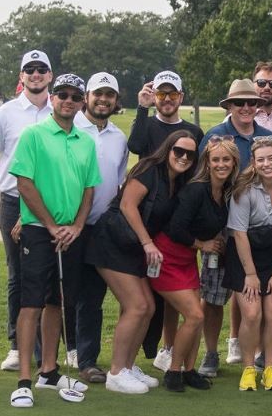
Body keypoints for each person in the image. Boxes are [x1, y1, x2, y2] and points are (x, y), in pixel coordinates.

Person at [6, 73, 97, 407]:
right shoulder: (33, 135)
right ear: (52, 98)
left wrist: (76, 226)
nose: (68, 101)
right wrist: (50, 225)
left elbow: (90, 189)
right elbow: (24, 184)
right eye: (62, 94)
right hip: (38, 232)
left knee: (57, 301)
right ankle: (25, 380)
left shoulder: (86, 141)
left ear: (81, 101)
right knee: (30, 303)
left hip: (70, 234)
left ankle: (49, 371)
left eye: (75, 96)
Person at [84, 130, 199, 394]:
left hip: (133, 248)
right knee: (136, 306)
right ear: (168, 149)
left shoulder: (178, 181)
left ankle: (128, 365)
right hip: (112, 242)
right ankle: (116, 372)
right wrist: (148, 243)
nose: (183, 157)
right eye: (178, 151)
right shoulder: (150, 169)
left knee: (147, 307)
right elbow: (127, 206)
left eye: (189, 154)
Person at [194, 79, 272, 376]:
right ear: (229, 106)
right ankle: (212, 353)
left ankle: (257, 353)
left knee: (255, 295)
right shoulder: (216, 136)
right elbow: (201, 182)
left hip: (257, 234)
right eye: (239, 103)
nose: (246, 108)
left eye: (252, 103)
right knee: (213, 296)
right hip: (219, 231)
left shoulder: (267, 137)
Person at [0, 50, 53, 371]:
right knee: (18, 274)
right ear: (21, 76)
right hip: (13, 202)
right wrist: (15, 182)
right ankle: (16, 344)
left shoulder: (63, 110)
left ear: (49, 75)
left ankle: (49, 347)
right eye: (30, 70)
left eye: (41, 70)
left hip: (52, 202)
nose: (35, 75)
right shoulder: (5, 113)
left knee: (49, 275)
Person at [127, 70, 204, 364]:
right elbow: (135, 146)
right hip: (149, 217)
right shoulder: (146, 124)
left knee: (175, 293)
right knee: (144, 295)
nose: (167, 99)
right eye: (162, 94)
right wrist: (142, 105)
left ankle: (168, 349)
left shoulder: (192, 132)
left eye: (172, 94)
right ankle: (138, 354)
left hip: (175, 220)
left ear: (181, 97)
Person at [152, 138, 239, 391]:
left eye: (226, 160)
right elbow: (177, 228)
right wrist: (203, 244)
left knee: (196, 318)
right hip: (167, 257)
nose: (221, 164)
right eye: (216, 160)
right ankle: (173, 372)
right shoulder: (195, 189)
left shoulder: (225, 192)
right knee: (195, 314)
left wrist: (214, 241)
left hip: (187, 259)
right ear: (207, 163)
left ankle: (189, 371)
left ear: (234, 163)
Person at [226, 137, 272, 391]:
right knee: (252, 313)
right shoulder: (243, 189)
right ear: (254, 163)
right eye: (261, 159)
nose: (267, 163)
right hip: (244, 256)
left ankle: (269, 368)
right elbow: (239, 234)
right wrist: (250, 274)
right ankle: (248, 369)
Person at [70, 72, 128, 384]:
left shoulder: (119, 138)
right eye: (97, 94)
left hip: (100, 227)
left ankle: (87, 360)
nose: (103, 100)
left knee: (92, 297)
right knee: (60, 294)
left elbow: (118, 182)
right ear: (86, 97)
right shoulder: (70, 128)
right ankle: (48, 358)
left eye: (109, 95)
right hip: (67, 224)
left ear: (116, 100)